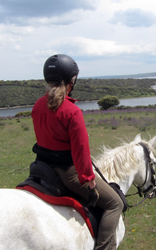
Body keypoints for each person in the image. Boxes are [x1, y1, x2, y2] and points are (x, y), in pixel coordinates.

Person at [31, 54, 123, 250]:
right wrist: (88, 180)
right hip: (68, 172)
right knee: (115, 204)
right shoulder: (72, 111)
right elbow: (81, 150)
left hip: (42, 167)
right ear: (72, 81)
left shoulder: (38, 105)